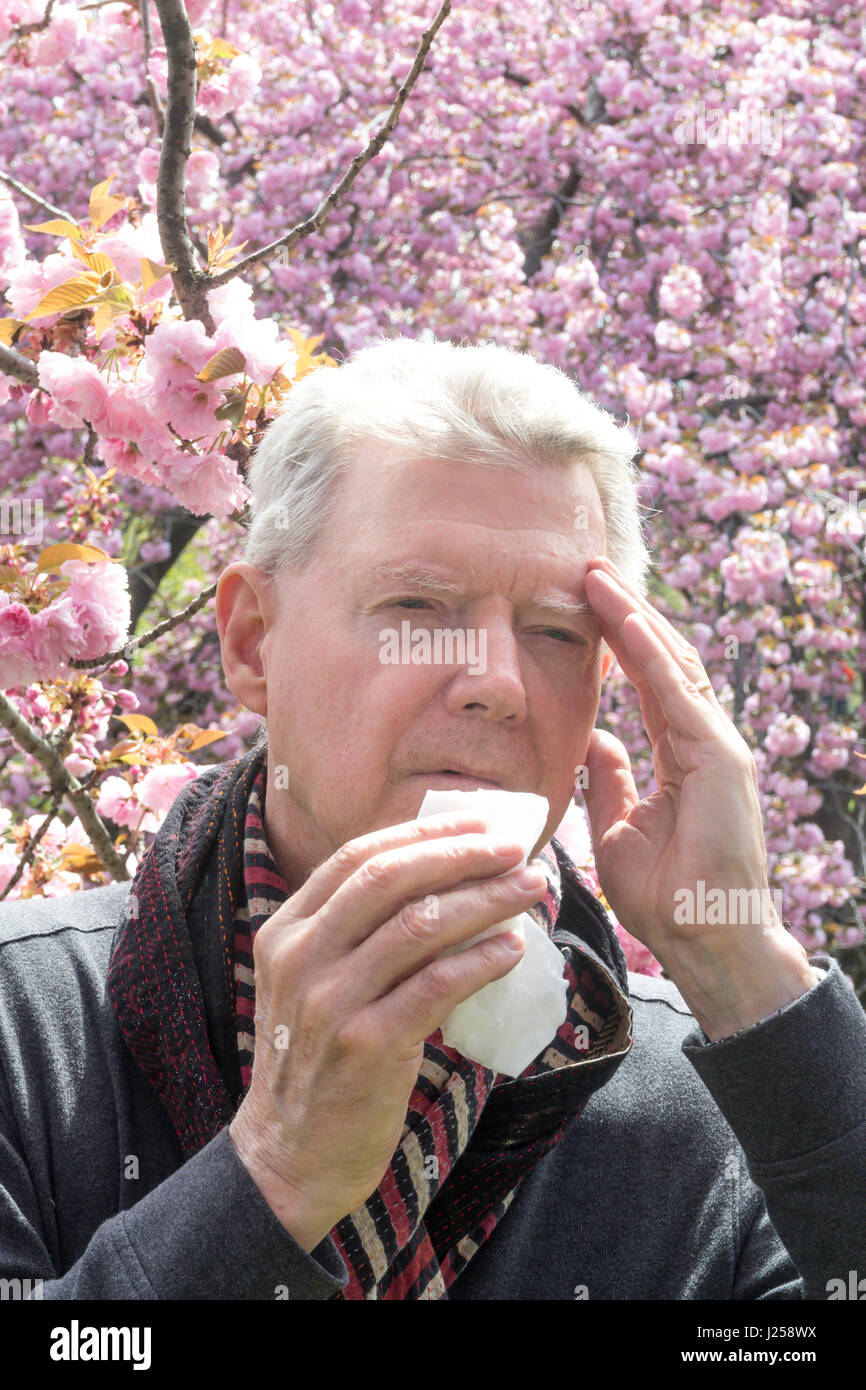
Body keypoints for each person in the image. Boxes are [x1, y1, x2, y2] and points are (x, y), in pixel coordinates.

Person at [0, 338, 863, 1301]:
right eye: (416, 604)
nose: (497, 683)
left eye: (554, 633)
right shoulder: (26, 1033)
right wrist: (273, 1179)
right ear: (251, 642)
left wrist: (744, 969)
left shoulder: (713, 1112)